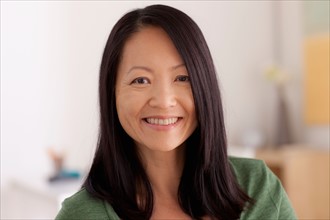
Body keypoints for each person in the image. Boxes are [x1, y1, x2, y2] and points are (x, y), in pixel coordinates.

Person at [56, 4, 296, 220]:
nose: (163, 101)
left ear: (205, 86)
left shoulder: (256, 187)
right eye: (140, 80)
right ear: (112, 93)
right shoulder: (80, 214)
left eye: (182, 78)